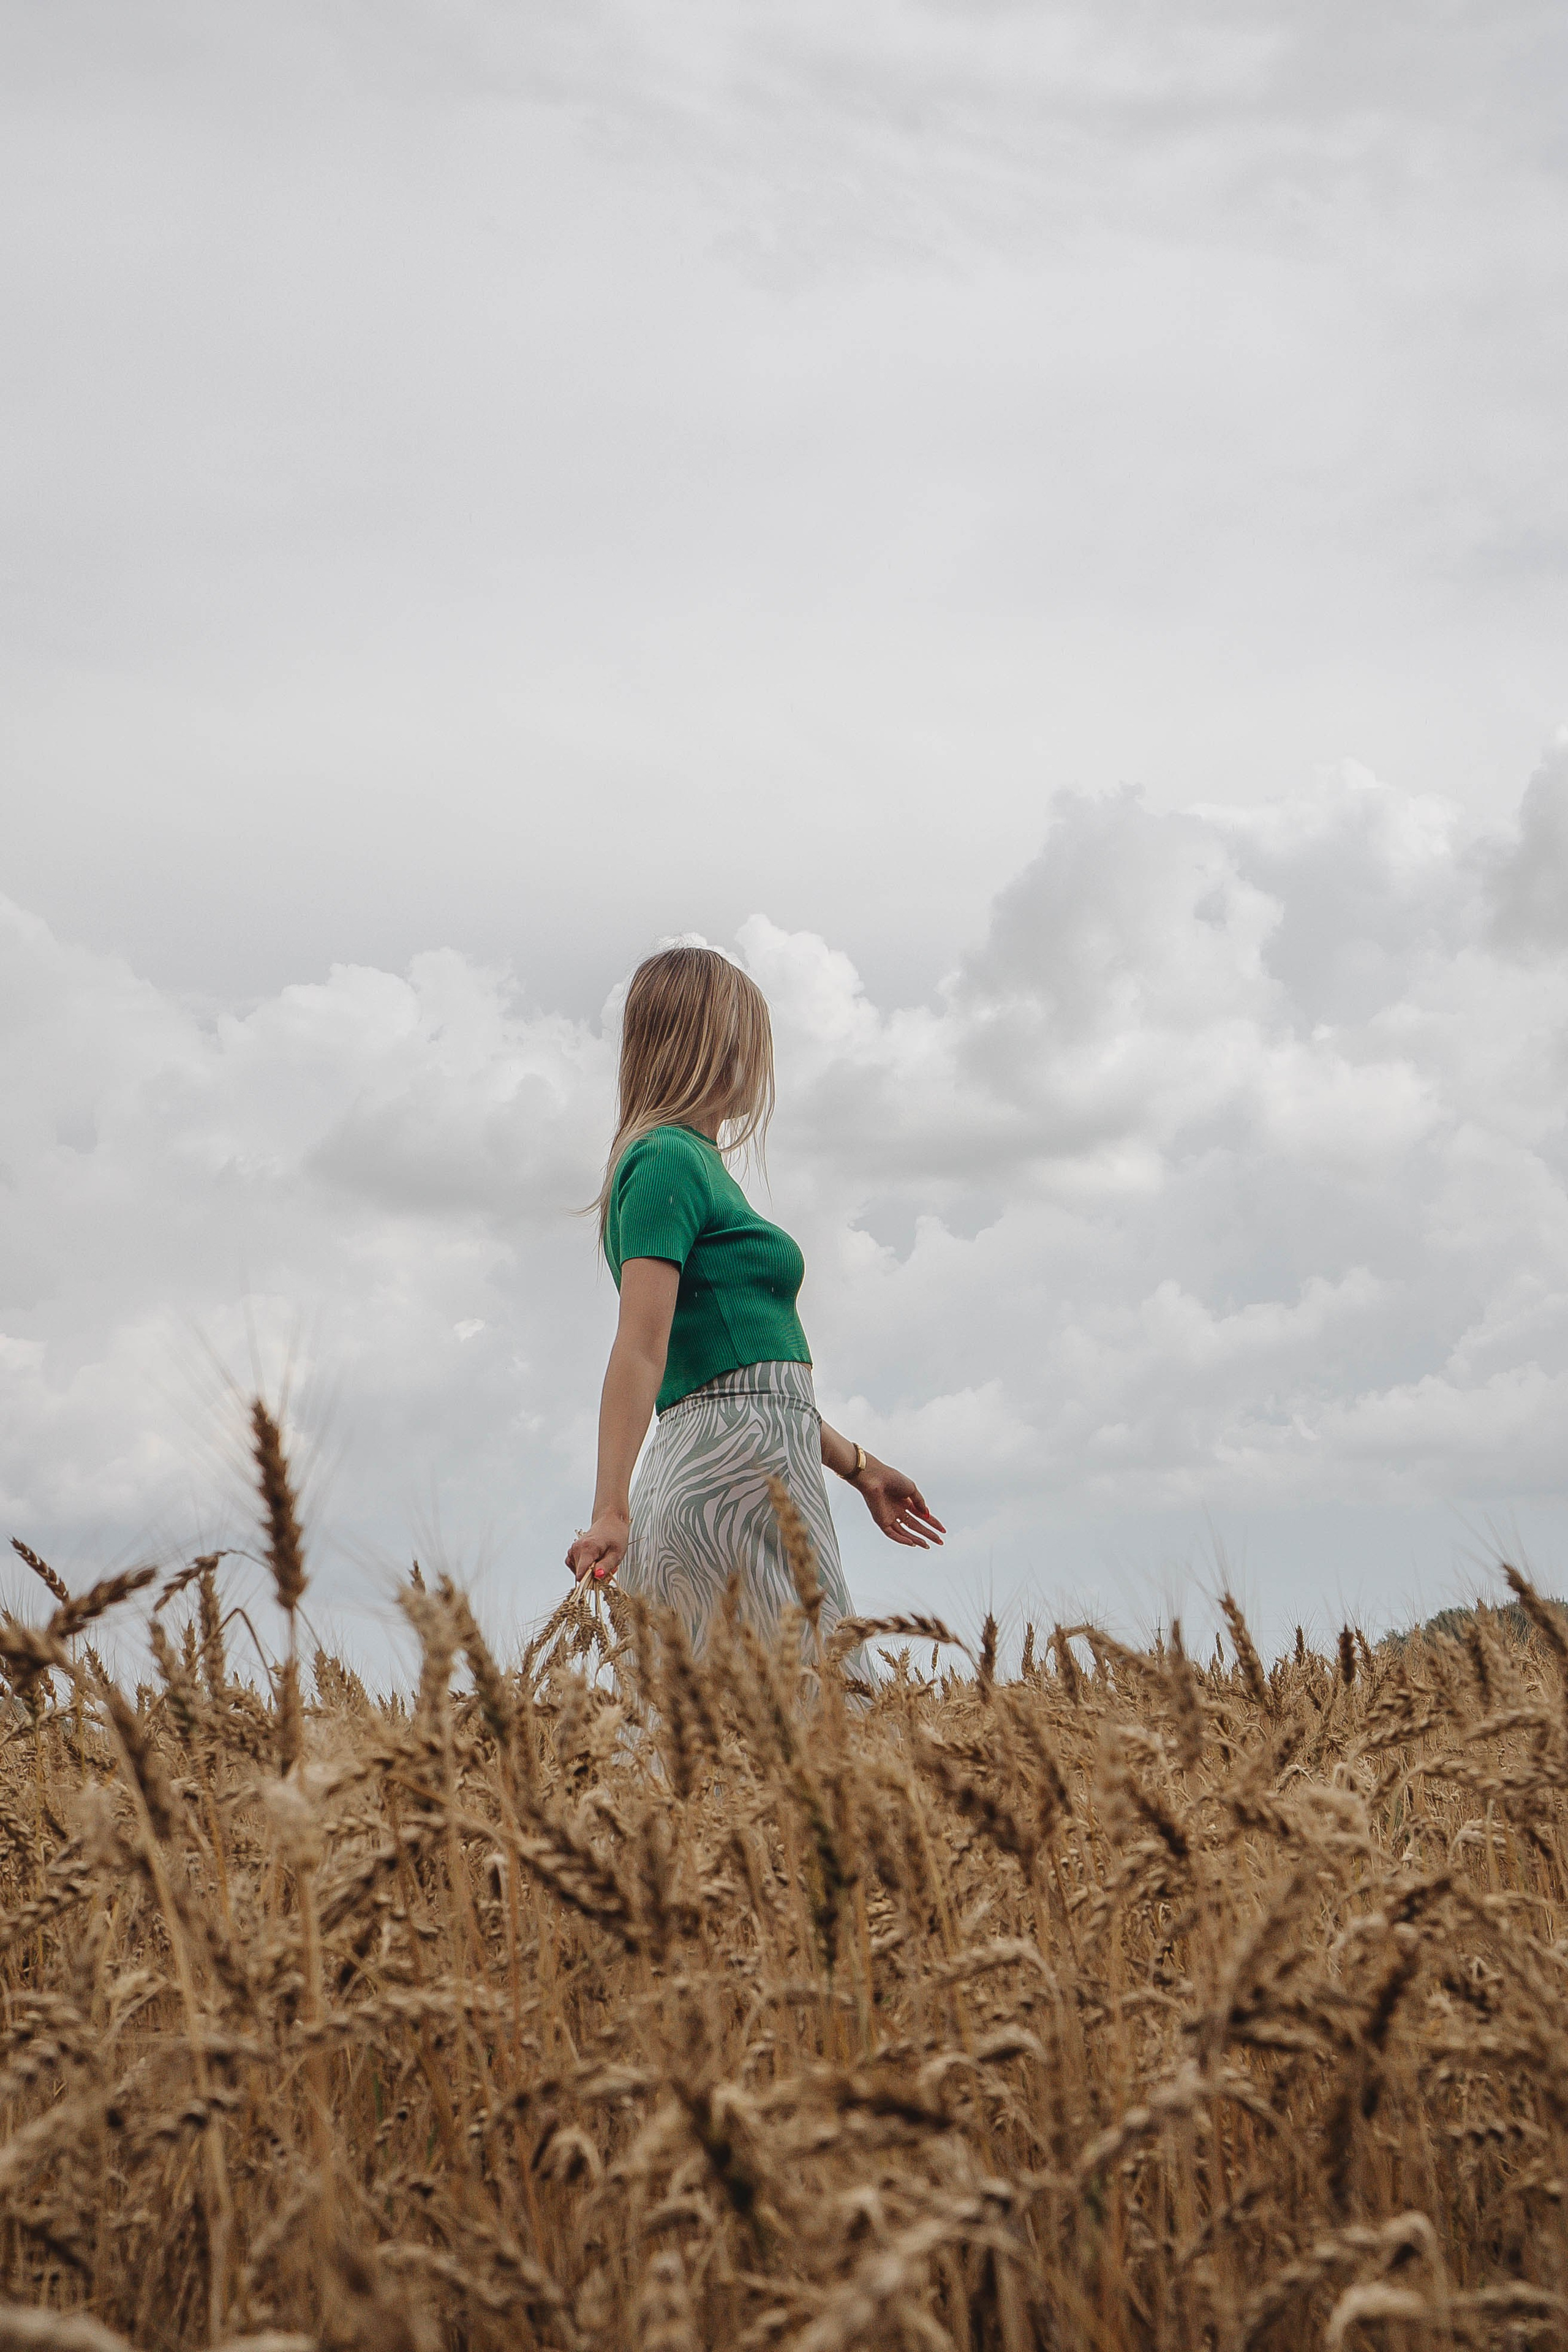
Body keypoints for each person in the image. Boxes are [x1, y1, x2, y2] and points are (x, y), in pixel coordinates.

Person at [566, 944, 943, 1652]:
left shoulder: (694, 1164)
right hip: (730, 1481)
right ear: (712, 1042)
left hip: (760, 1464)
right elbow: (643, 1348)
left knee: (771, 1728)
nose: (761, 1060)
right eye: (749, 1037)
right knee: (808, 1718)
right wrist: (609, 1509)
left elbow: (751, 1373)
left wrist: (859, 1467)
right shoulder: (667, 1158)